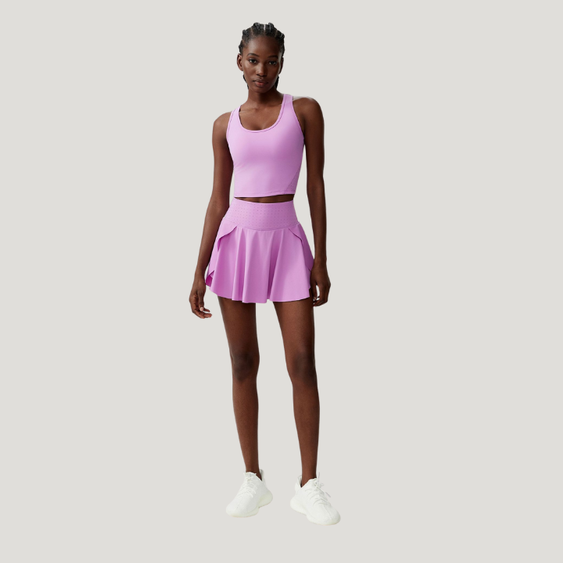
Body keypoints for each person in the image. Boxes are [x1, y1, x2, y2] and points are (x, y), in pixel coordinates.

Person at [189, 22, 340, 526]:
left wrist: (322, 257)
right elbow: (217, 199)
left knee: (302, 362)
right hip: (236, 242)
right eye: (254, 60)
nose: (262, 69)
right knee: (242, 362)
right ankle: (252, 479)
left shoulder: (305, 111)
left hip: (287, 241)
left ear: (281, 63)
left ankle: (309, 485)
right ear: (239, 62)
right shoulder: (223, 124)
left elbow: (315, 185)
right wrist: (198, 269)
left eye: (271, 60)